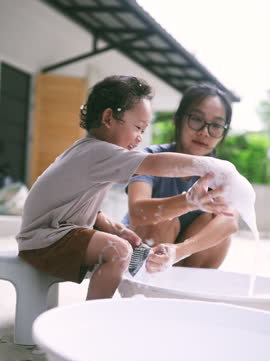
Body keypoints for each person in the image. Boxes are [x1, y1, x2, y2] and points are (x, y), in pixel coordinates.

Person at [16, 75, 235, 300]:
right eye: (138, 128)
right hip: (45, 240)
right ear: (109, 117)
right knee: (118, 251)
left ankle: (157, 293)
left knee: (129, 245)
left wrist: (113, 227)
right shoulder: (98, 152)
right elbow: (154, 165)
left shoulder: (90, 153)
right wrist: (205, 168)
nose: (140, 138)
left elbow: (73, 204)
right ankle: (95, 318)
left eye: (216, 125)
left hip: (51, 235)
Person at [123, 83, 239, 271]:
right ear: (177, 119)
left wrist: (178, 251)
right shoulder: (151, 158)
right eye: (196, 119)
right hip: (139, 256)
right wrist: (189, 202)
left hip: (182, 258)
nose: (204, 131)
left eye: (216, 125)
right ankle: (146, 289)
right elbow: (137, 212)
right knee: (165, 218)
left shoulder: (221, 172)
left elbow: (230, 222)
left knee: (216, 224)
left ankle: (186, 290)